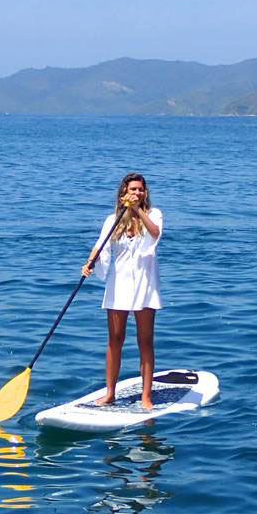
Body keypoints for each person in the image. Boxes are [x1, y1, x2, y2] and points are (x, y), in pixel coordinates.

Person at [81, 173, 163, 409]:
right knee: (114, 340)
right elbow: (100, 244)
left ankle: (146, 397)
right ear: (123, 193)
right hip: (119, 285)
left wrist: (137, 211)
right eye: (133, 190)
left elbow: (155, 233)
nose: (137, 193)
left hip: (145, 285)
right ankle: (110, 393)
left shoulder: (153, 215)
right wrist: (89, 263)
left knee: (145, 341)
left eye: (141, 190)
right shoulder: (113, 220)